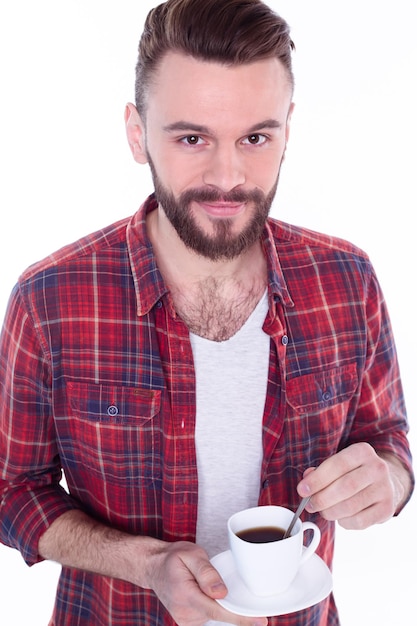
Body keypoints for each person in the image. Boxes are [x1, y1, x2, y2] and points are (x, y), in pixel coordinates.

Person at [0, 0, 414, 624]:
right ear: (138, 135)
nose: (228, 176)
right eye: (192, 138)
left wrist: (388, 482)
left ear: (287, 132)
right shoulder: (50, 300)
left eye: (255, 137)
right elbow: (11, 493)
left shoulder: (347, 282)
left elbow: (390, 447)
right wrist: (144, 563)